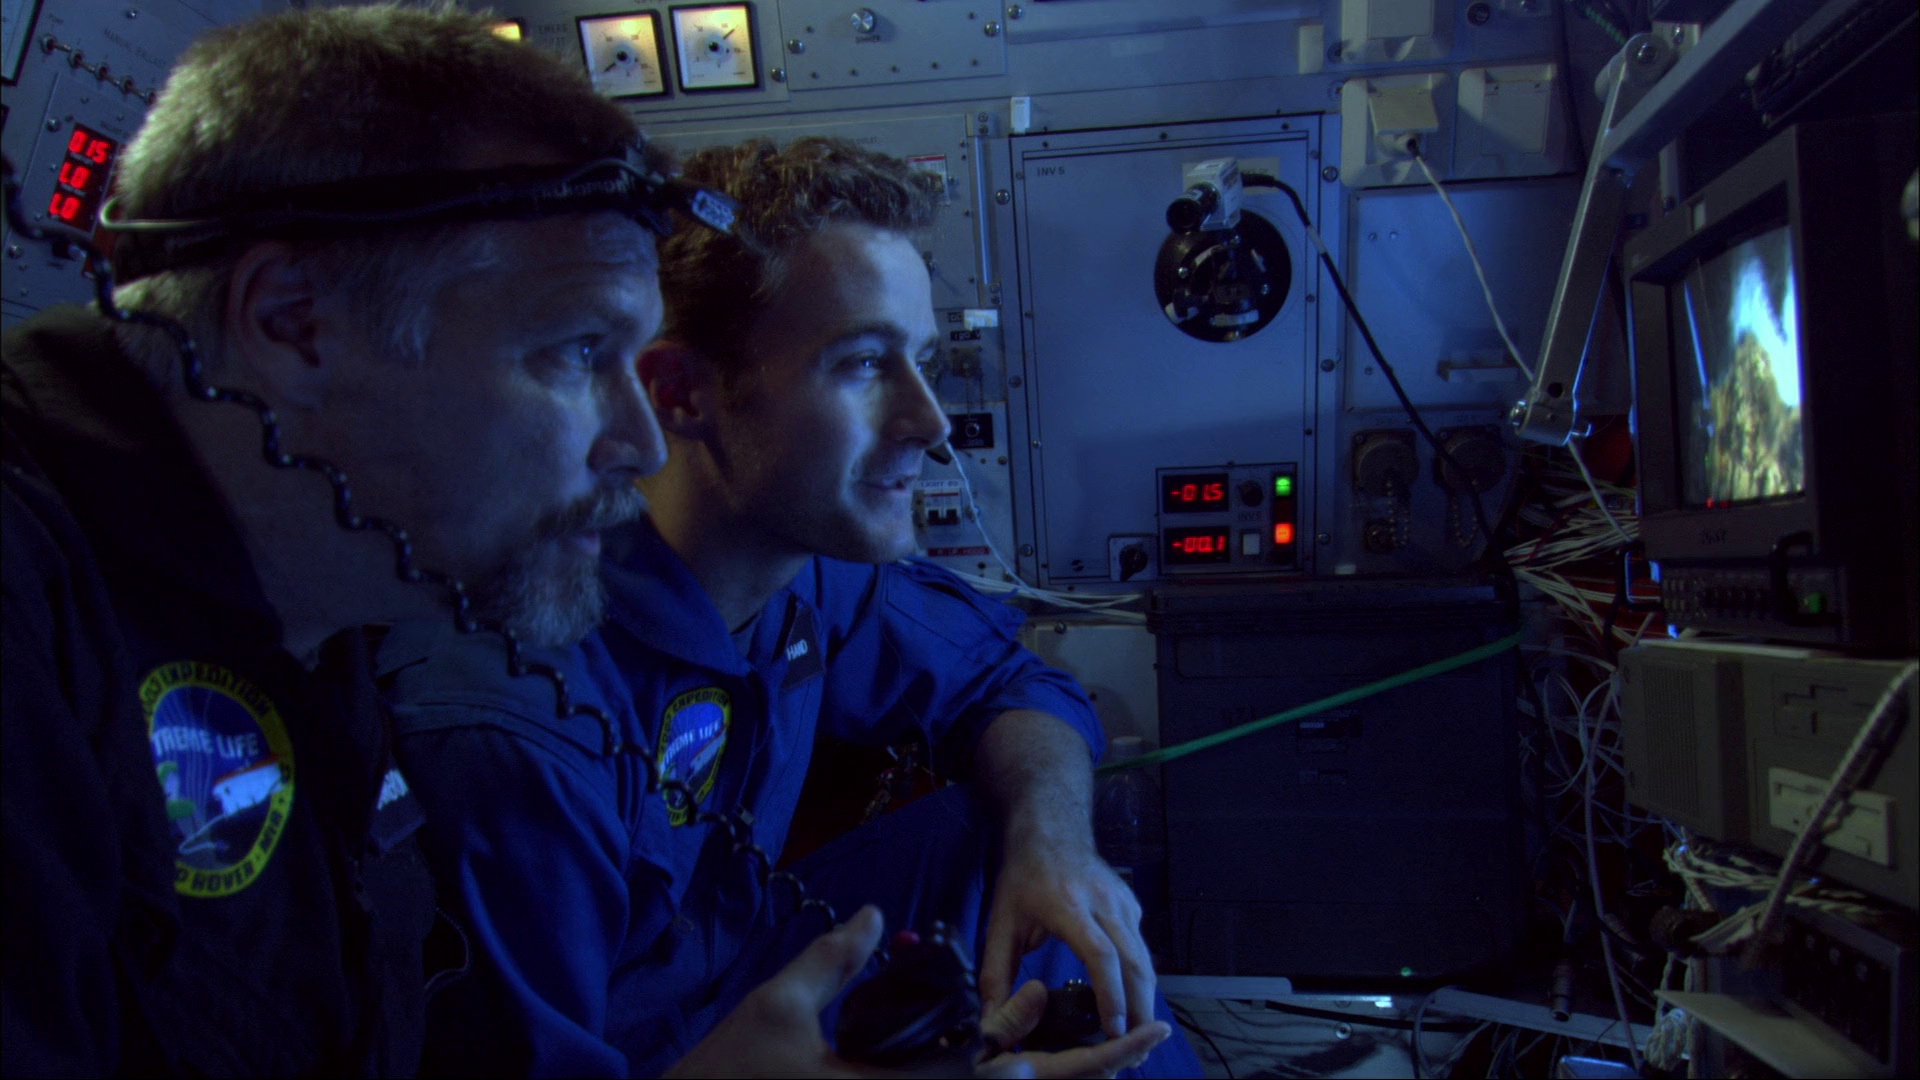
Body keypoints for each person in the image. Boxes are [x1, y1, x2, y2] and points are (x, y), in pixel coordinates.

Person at [378, 137, 1200, 1076]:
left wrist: (1051, 844)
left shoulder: (803, 569)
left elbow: (1010, 682)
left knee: (1003, 845)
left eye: (923, 360)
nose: (930, 422)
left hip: (737, 968)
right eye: (862, 364)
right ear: (680, 394)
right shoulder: (512, 727)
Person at [1, 5, 681, 1074]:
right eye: (578, 350)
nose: (643, 446)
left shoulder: (334, 585)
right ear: (293, 324)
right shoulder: (29, 613)